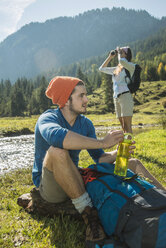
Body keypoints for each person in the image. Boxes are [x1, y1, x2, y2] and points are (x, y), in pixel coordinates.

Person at [32, 76, 164, 245]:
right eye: (81, 95)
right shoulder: (48, 118)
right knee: (57, 152)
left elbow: (99, 157)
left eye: (86, 95)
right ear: (66, 99)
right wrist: (102, 142)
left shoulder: (85, 124)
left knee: (134, 163)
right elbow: (58, 138)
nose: (86, 99)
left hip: (73, 176)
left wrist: (116, 153)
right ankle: (89, 217)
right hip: (50, 186)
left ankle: (162, 195)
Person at [99, 46, 134, 133]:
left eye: (122, 52)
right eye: (120, 52)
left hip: (125, 96)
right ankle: (124, 145)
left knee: (127, 125)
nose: (119, 53)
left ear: (126, 55)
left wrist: (118, 51)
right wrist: (110, 57)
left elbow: (122, 61)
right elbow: (101, 69)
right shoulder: (117, 69)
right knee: (123, 126)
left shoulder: (130, 66)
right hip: (116, 97)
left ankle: (129, 146)